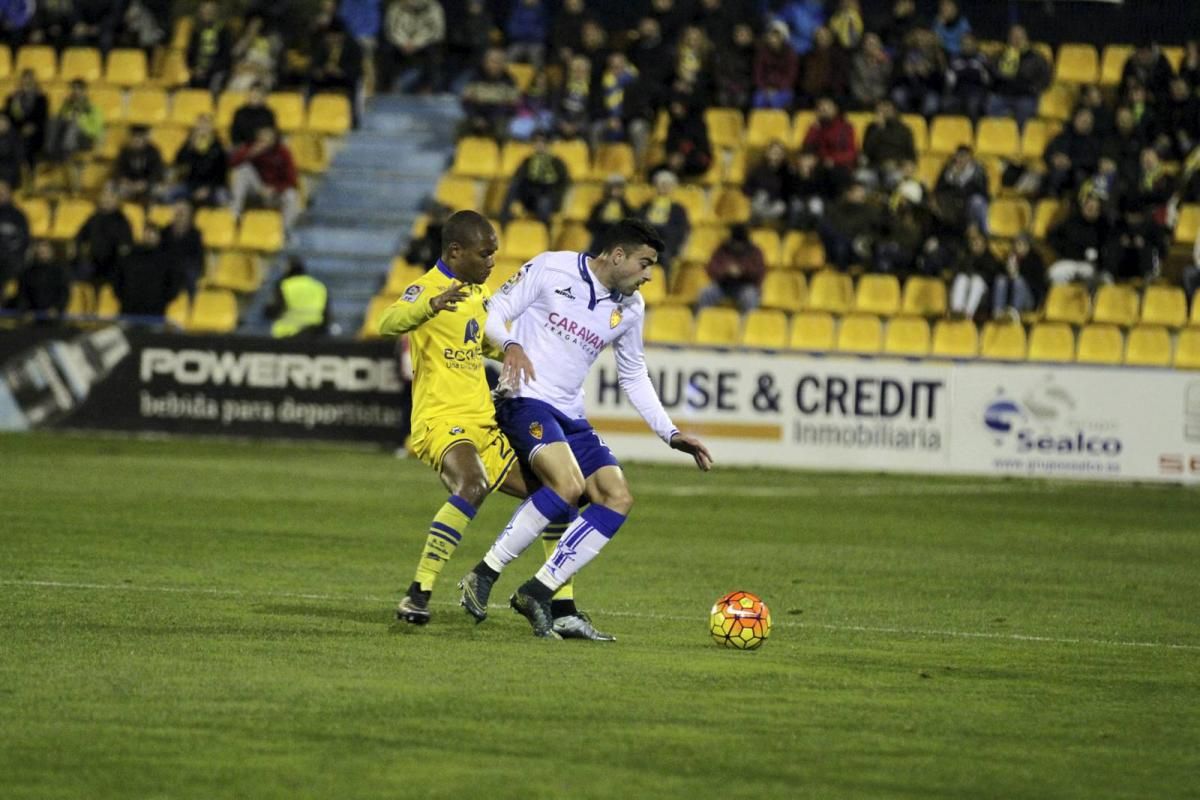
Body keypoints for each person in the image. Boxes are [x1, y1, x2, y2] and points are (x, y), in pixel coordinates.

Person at [459, 218, 713, 638]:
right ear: (617, 255)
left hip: (570, 414)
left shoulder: (631, 309)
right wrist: (511, 345)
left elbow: (633, 375)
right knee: (567, 486)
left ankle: (538, 591)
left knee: (617, 497)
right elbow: (494, 313)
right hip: (523, 399)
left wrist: (670, 432)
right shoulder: (551, 268)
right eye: (644, 264)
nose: (649, 276)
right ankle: (484, 573)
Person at [374, 212, 526, 624]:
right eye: (485, 254)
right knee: (472, 484)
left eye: (494, 253)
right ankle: (417, 594)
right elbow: (386, 322)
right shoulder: (425, 289)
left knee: (556, 492)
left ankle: (552, 599)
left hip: (483, 420)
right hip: (441, 420)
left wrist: (518, 350)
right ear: (455, 252)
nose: (492, 262)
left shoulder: (478, 292)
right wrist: (429, 306)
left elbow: (481, 344)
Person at [229, 126, 301, 231]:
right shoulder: (252, 148)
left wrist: (275, 189)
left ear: (273, 140)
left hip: (275, 192)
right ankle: (234, 218)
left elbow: (292, 180)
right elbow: (233, 163)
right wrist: (250, 153)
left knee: (291, 195)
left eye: (266, 140)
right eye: (261, 139)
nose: (263, 143)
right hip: (258, 189)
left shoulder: (283, 152)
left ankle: (285, 230)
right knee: (243, 169)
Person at [500, 129, 569, 224]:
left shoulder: (556, 162)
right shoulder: (528, 160)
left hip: (548, 195)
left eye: (542, 142)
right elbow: (518, 177)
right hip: (530, 195)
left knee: (543, 203)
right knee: (514, 186)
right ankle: (504, 220)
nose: (538, 145)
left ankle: (544, 229)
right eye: (536, 142)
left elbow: (563, 182)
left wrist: (556, 197)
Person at [113, 226, 179, 320]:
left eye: (153, 234)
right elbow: (117, 279)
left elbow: (173, 284)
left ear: (159, 237)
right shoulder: (129, 257)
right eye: (147, 234)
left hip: (155, 313)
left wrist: (162, 302)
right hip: (129, 310)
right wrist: (124, 299)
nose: (149, 237)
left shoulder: (167, 260)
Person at [696, 224, 766, 312]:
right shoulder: (722, 249)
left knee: (750, 297)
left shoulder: (755, 251)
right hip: (723, 285)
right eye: (735, 243)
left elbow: (759, 272)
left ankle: (747, 324)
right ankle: (702, 321)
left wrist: (742, 271)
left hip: (746, 286)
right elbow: (711, 269)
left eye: (740, 244)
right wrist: (726, 271)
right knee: (705, 293)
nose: (737, 246)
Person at [380, 0, 445, 93]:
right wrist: (403, 42)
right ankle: (389, 87)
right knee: (387, 50)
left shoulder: (433, 7)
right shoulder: (395, 7)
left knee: (433, 52)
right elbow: (391, 29)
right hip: (401, 44)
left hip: (424, 43)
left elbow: (436, 31)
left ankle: (427, 87)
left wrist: (415, 43)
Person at [75, 184, 134, 287]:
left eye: (109, 197)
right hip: (92, 261)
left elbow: (126, 246)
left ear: (116, 201)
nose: (105, 200)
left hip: (112, 263)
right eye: (104, 196)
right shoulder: (94, 218)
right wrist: (80, 252)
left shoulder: (122, 221)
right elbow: (80, 236)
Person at [637, 170, 690, 274]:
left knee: (665, 256)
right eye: (662, 184)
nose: (664, 188)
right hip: (646, 242)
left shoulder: (678, 209)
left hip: (666, 245)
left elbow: (681, 230)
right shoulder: (646, 206)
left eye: (668, 185)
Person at [171, 114, 228, 207]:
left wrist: (208, 189)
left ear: (211, 128)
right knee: (168, 195)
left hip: (213, 187)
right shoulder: (190, 144)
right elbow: (178, 161)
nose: (203, 128)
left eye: (206, 125)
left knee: (223, 197)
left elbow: (221, 174)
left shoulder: (218, 146)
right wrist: (189, 145)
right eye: (200, 125)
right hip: (191, 185)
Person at [267, 257, 330, 337]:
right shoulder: (319, 286)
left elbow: (275, 310)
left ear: (288, 268)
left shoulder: (284, 285)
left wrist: (267, 311)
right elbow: (326, 315)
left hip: (287, 334)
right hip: (314, 334)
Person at [8, 240, 69, 318]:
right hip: (32, 316)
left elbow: (64, 293)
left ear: (51, 252)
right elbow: (22, 293)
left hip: (54, 317)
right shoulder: (27, 272)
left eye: (45, 252)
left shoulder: (59, 272)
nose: (42, 254)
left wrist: (57, 309)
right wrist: (26, 310)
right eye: (40, 252)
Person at [4, 70, 48, 174]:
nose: (27, 83)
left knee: (28, 141)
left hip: (35, 132)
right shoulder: (13, 98)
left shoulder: (41, 98)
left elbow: (42, 118)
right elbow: (8, 116)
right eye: (25, 79)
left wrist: (32, 127)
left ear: (34, 82)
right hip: (16, 130)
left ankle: (29, 173)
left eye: (30, 80)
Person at [159, 201, 205, 298]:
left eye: (182, 214)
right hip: (168, 264)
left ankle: (191, 303)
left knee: (190, 275)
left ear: (189, 216)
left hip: (187, 266)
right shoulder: (165, 231)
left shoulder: (195, 233)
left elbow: (198, 256)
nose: (179, 217)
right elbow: (160, 251)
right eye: (177, 214)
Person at [187, 0, 232, 92]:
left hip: (217, 72)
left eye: (211, 9)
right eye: (205, 9)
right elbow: (190, 54)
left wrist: (208, 70)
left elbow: (226, 57)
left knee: (216, 83)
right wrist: (195, 68)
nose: (208, 12)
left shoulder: (224, 30)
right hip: (197, 73)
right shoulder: (195, 31)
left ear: (216, 11)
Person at [114, 125, 166, 204]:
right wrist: (124, 180)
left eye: (139, 138)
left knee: (159, 190)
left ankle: (150, 212)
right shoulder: (125, 151)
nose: (136, 140)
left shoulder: (153, 151)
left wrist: (145, 183)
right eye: (134, 137)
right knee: (111, 188)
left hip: (147, 183)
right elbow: (119, 168)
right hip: (129, 183)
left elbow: (157, 171)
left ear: (144, 139)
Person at [586, 174, 633, 252]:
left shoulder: (625, 206)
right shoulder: (600, 205)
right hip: (601, 234)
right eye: (613, 188)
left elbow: (630, 221)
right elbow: (591, 223)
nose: (615, 191)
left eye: (618, 188)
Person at [0, 179, 30, 289]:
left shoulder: (18, 216)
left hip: (11, 258)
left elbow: (24, 240)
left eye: (2, 192)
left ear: (9, 193)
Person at [230, 84, 277, 148]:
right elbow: (234, 134)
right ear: (248, 95)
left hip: (264, 147)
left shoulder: (268, 113)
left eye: (258, 94)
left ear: (263, 97)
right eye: (253, 93)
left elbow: (272, 134)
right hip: (243, 147)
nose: (255, 96)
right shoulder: (239, 112)